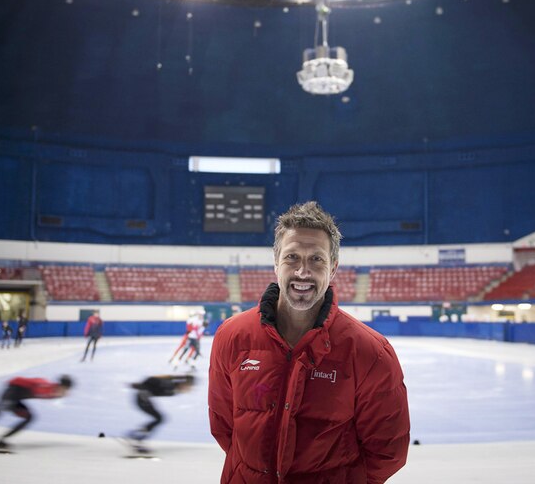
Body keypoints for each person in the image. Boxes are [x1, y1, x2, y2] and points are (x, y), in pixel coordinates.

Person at [208, 201, 410, 483]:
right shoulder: (232, 336)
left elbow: (388, 451)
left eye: (316, 259)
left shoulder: (371, 352)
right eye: (292, 257)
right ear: (276, 262)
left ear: (334, 268)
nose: (303, 272)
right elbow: (224, 427)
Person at [0, 375, 73, 452]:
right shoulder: (45, 386)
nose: (66, 391)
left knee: (29, 417)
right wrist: (54, 393)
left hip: (16, 399)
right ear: (61, 385)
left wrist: (54, 394)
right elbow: (36, 388)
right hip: (10, 394)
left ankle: (1, 440)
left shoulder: (53, 390)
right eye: (65, 389)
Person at [127, 374, 195, 451]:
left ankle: (136, 436)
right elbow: (151, 379)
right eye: (189, 386)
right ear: (183, 384)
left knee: (159, 419)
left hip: (144, 398)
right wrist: (141, 386)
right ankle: (136, 438)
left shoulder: (173, 391)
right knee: (159, 418)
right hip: (142, 398)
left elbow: (155, 388)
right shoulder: (169, 385)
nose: (189, 389)